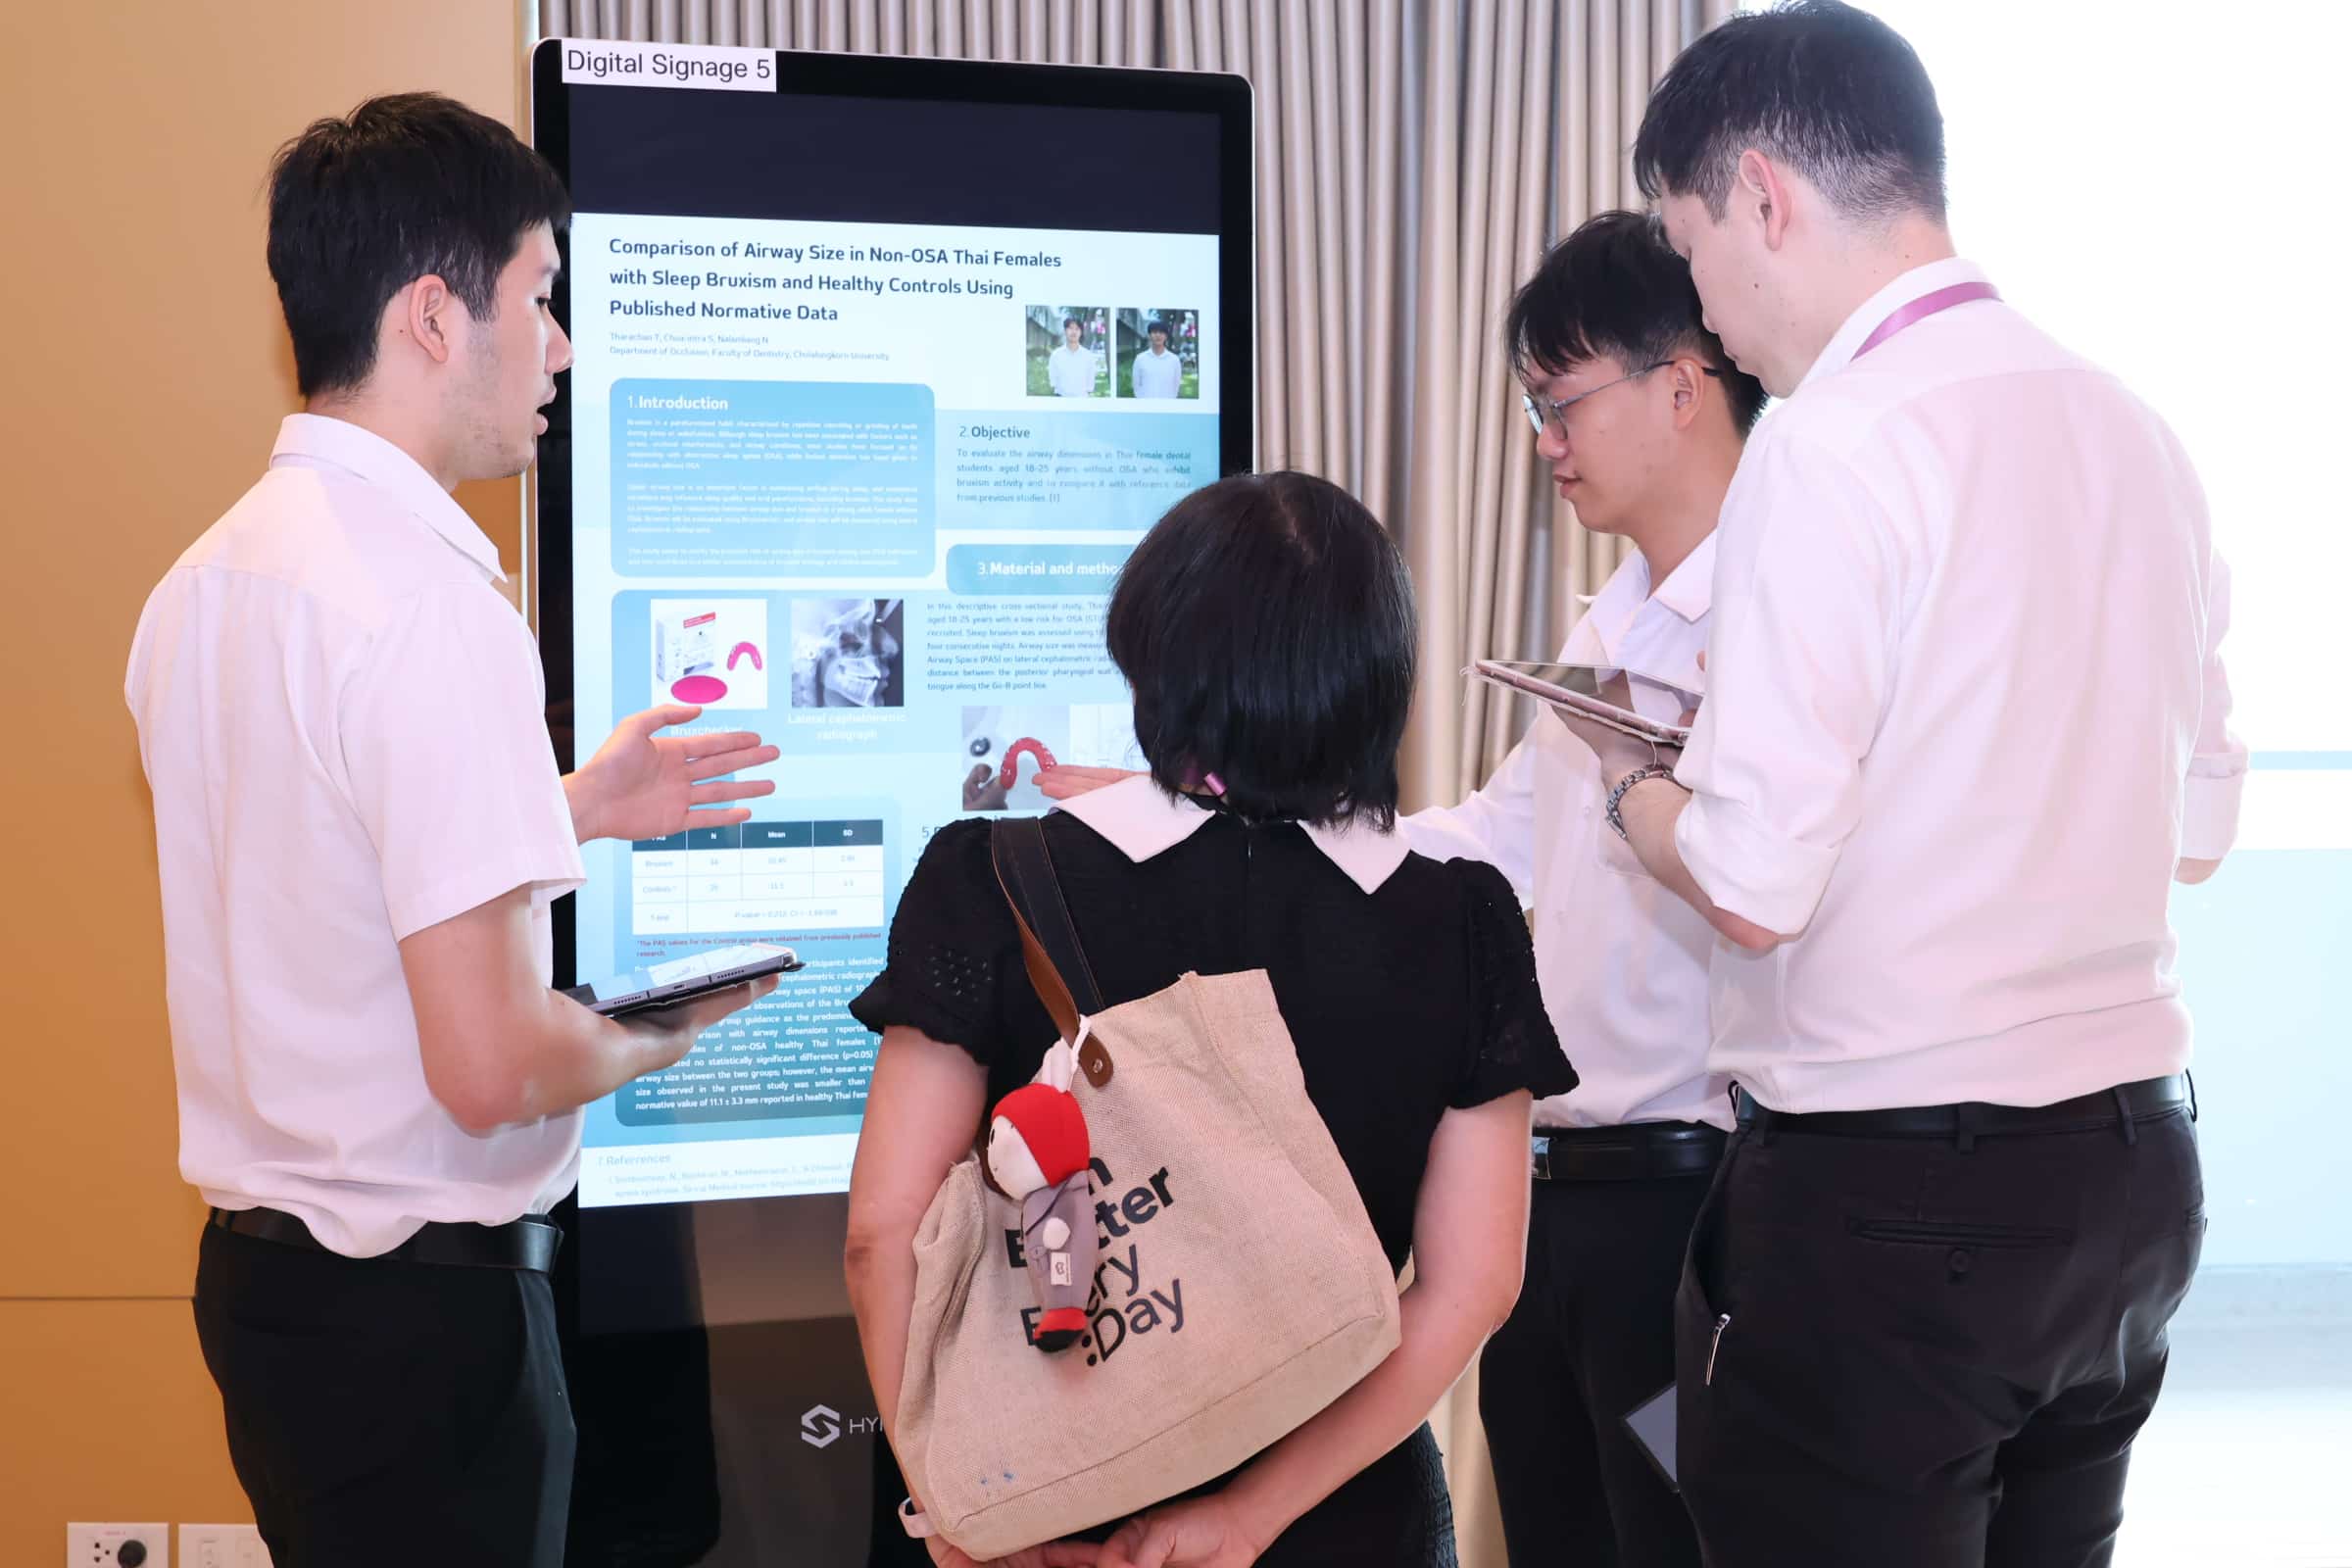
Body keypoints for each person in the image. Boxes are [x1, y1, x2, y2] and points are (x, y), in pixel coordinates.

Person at [1541, 6, 2244, 1564]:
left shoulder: (1834, 443)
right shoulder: (2138, 429)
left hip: (1895, 1197)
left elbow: (1753, 884)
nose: (1707, 314)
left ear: (1763, 197)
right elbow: (2200, 834)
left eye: (1692, 248)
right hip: (2132, 1181)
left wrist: (1634, 788)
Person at [124, 94, 781, 1568]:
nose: (560, 347)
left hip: (272, 1301)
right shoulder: (431, 608)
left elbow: (318, 866)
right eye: (539, 298)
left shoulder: (203, 584)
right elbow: (491, 1070)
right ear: (433, 315)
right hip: (427, 1328)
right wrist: (663, 1029)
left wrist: (568, 809)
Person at [845, 471, 1576, 1568]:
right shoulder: (1461, 915)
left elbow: (881, 1238)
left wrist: (961, 1511)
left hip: (1055, 1502)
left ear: (1156, 656)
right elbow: (1474, 1284)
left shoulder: (989, 875)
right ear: (1376, 682)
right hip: (1347, 1518)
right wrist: (1249, 1518)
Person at [1397, 210, 1765, 1568]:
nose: (1545, 442)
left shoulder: (1785, 610)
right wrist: (1242, 820)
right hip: (1549, 1199)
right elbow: (1491, 840)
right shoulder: (1610, 619)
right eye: (1533, 410)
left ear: (1683, 384)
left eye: (1562, 403)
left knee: (1682, 1537)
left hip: (1688, 1207)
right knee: (1559, 1537)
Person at [1049, 315, 1101, 397]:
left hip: (1082, 401)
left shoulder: (1088, 356)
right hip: (1061, 399)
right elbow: (1053, 383)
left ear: (1081, 332)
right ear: (1065, 331)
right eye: (1070, 328)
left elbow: (1090, 386)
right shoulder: (1056, 355)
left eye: (1077, 329)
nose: (1074, 332)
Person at [1132, 318, 1184, 398]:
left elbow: (1176, 386)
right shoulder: (1140, 359)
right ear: (1149, 336)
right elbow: (1136, 386)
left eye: (1161, 332)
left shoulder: (1174, 360)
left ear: (1166, 336)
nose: (1158, 335)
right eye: (1154, 332)